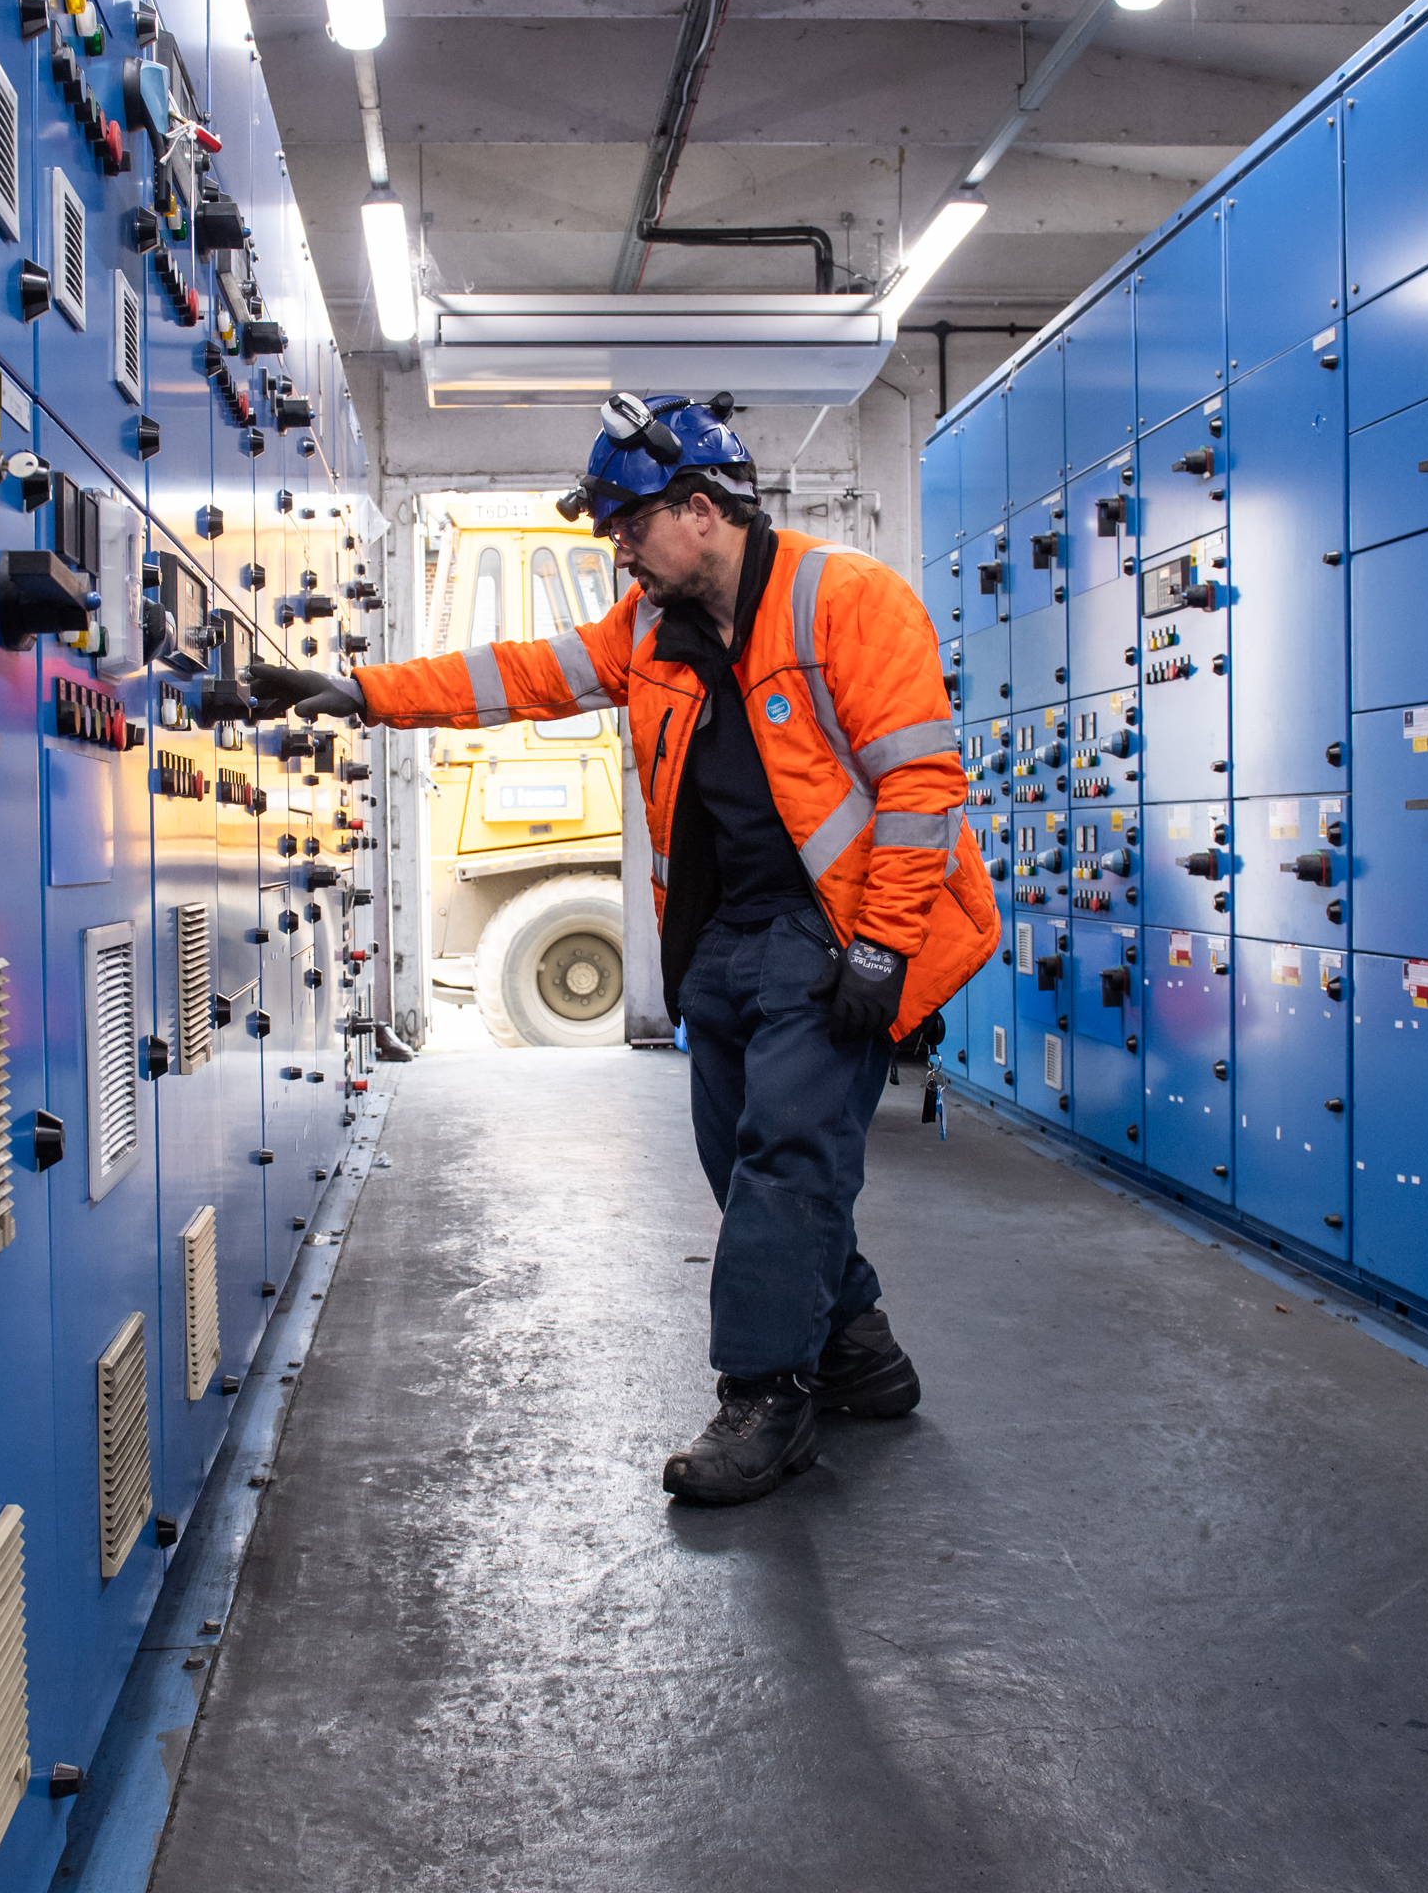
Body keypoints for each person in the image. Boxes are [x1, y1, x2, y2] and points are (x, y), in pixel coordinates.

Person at [249, 393, 998, 1505]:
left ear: (701, 512)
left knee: (789, 1157)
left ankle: (766, 1394)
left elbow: (921, 783)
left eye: (628, 526)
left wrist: (883, 949)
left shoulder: (848, 599)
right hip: (725, 935)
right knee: (736, 1158)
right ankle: (859, 1351)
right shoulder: (650, 632)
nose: (619, 550)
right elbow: (511, 676)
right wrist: (363, 692)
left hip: (831, 930)